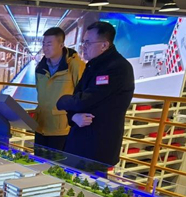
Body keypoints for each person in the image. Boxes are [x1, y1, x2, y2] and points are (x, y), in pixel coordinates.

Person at [56, 21, 135, 166]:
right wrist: (72, 116)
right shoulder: (93, 65)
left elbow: (82, 101)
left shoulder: (117, 68)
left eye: (88, 42)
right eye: (83, 42)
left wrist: (61, 101)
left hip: (98, 145)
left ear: (104, 45)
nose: (84, 47)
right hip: (80, 140)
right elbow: (77, 97)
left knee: (91, 180)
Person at [33, 27, 85, 157]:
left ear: (61, 45)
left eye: (49, 44)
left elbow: (82, 94)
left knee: (56, 165)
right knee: (37, 163)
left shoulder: (74, 65)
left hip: (61, 129)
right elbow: (40, 92)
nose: (45, 48)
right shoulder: (40, 67)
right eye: (44, 44)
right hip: (41, 125)